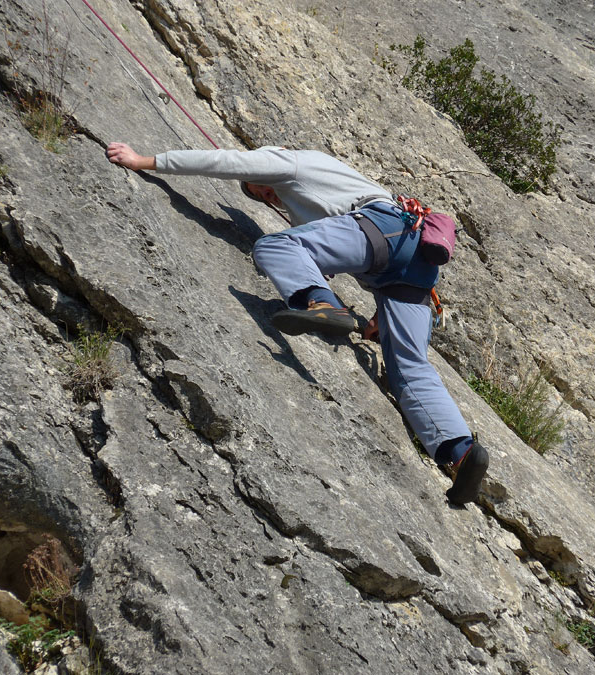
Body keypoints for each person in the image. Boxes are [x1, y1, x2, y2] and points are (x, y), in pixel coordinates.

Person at [106, 143, 489, 503]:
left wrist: (146, 162)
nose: (267, 197)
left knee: (276, 245)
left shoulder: (288, 162)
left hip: (381, 229)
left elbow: (226, 163)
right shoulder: (325, 191)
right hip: (409, 263)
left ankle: (323, 303)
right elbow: (377, 257)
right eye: (260, 198)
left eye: (261, 189)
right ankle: (460, 452)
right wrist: (378, 317)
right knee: (408, 367)